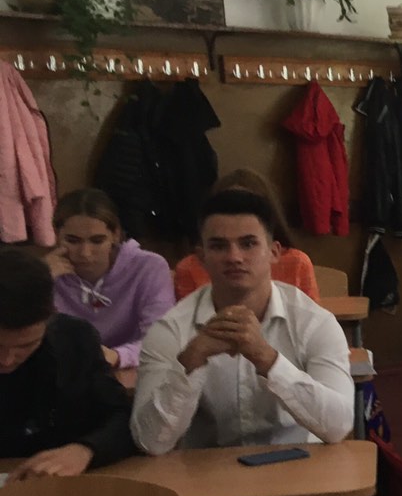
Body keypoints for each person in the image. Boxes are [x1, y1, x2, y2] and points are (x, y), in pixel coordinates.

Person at [131, 190, 354, 454]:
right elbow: (150, 442)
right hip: (208, 472)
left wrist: (268, 360)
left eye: (248, 244)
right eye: (219, 246)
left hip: (297, 465)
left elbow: (338, 426)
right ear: (201, 257)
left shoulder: (314, 322)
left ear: (274, 252)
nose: (234, 257)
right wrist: (190, 361)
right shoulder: (171, 329)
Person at [0, 245, 136, 477]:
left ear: (50, 318)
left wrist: (86, 450)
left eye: (25, 346)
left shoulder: (75, 340)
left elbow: (122, 418)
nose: (6, 360)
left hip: (58, 484)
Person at [47, 188, 175, 369]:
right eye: (73, 241)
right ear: (56, 235)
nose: (85, 253)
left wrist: (117, 356)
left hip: (131, 369)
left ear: (115, 235)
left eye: (97, 241)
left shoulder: (148, 267)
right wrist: (38, 282)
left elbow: (161, 342)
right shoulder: (43, 272)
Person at [173, 169, 320, 301]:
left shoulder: (297, 262)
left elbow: (309, 317)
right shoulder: (189, 268)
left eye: (248, 244)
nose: (234, 257)